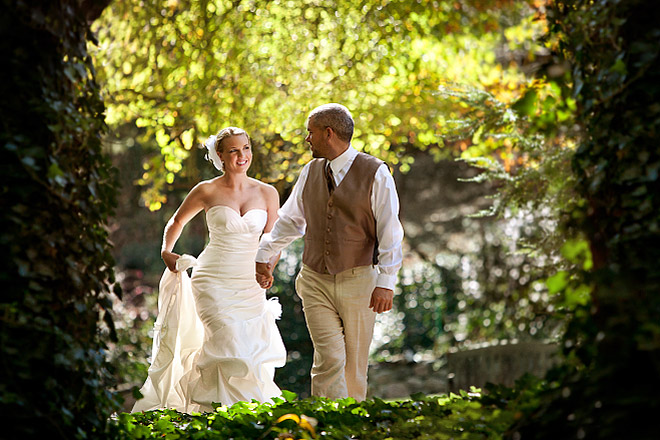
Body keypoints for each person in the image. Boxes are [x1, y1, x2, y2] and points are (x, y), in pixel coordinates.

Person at [255, 103, 404, 401]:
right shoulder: (309, 171)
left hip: (359, 280)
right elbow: (290, 221)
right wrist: (263, 255)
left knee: (354, 366)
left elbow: (390, 230)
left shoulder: (376, 173)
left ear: (328, 133)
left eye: (310, 133)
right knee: (329, 358)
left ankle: (350, 425)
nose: (307, 139)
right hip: (314, 280)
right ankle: (325, 423)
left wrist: (386, 282)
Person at [132, 127, 286, 413]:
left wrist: (268, 267)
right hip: (212, 279)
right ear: (221, 155)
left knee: (247, 349)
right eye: (234, 151)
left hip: (249, 285)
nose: (242, 156)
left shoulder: (267, 192)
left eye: (246, 148)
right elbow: (176, 222)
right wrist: (166, 251)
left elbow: (273, 240)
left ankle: (238, 416)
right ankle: (222, 413)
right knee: (226, 341)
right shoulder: (206, 190)